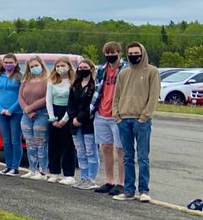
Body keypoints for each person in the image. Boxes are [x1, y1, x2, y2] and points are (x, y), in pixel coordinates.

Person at [112, 42, 160, 202]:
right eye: (131, 53)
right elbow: (116, 96)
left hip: (141, 120)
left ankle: (144, 190)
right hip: (123, 119)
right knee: (127, 157)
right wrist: (116, 115)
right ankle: (128, 190)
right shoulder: (123, 73)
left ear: (142, 53)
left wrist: (144, 117)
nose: (133, 55)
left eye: (136, 52)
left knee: (143, 157)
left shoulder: (152, 72)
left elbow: (153, 96)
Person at [92, 42, 128, 196]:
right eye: (107, 52)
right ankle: (109, 180)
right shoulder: (101, 70)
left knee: (120, 149)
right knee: (106, 147)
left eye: (112, 52)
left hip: (117, 114)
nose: (109, 55)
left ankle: (121, 182)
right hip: (101, 112)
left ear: (119, 52)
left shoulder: (126, 69)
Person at [68, 59, 100, 190]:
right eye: (80, 67)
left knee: (90, 151)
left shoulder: (94, 86)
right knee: (80, 152)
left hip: (88, 123)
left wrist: (81, 118)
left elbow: (91, 106)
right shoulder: (75, 85)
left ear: (91, 69)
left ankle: (91, 178)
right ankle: (83, 177)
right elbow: (70, 104)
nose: (82, 69)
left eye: (85, 67)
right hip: (74, 123)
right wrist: (73, 118)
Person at [46, 57, 76, 185]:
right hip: (54, 113)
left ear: (69, 66)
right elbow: (48, 100)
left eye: (62, 65)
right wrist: (52, 118)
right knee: (54, 145)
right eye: (57, 66)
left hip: (68, 113)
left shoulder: (73, 82)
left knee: (68, 145)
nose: (60, 68)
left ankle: (69, 174)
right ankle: (54, 172)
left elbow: (72, 102)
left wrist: (64, 120)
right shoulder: (52, 81)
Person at [16, 56, 47, 179]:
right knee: (30, 143)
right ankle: (32, 169)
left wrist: (32, 107)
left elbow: (46, 98)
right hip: (26, 115)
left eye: (36, 65)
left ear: (41, 65)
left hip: (42, 114)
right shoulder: (26, 80)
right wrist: (27, 110)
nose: (34, 68)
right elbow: (20, 97)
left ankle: (43, 171)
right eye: (32, 67)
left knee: (41, 142)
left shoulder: (47, 80)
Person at [0, 54, 23, 175]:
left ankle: (15, 167)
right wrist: (0, 108)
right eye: (6, 62)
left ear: (16, 63)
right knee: (6, 141)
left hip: (16, 113)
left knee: (15, 140)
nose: (8, 64)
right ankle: (8, 165)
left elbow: (21, 96)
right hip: (2, 113)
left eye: (11, 62)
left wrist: (11, 109)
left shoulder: (19, 77)